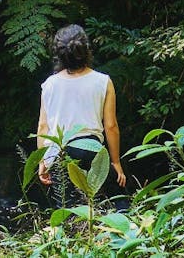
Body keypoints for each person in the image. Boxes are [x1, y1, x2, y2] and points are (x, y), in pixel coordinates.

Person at [36, 24, 127, 208]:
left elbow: (43, 127)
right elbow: (110, 126)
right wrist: (115, 162)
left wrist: (43, 161)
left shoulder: (49, 85)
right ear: (86, 49)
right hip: (91, 148)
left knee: (67, 208)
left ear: (58, 53)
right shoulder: (103, 81)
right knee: (117, 203)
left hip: (60, 151)